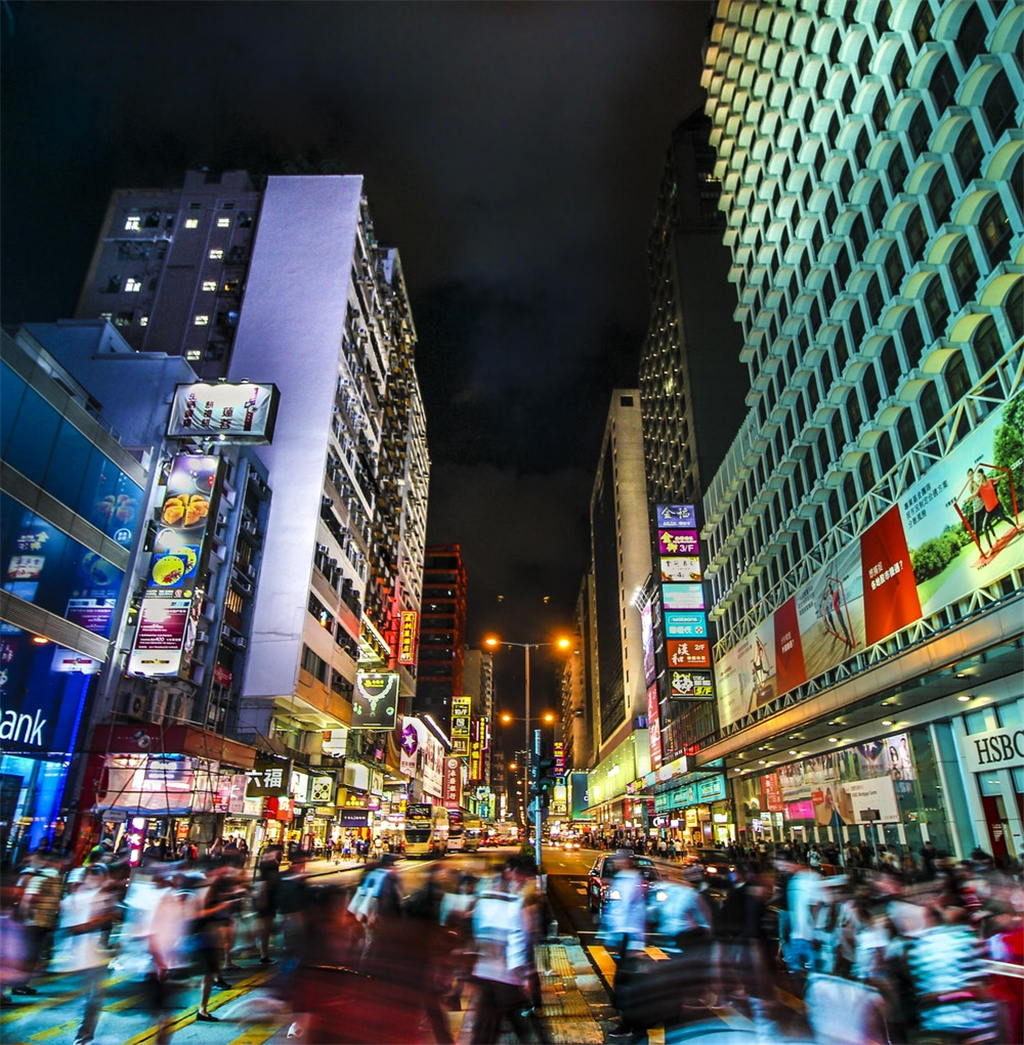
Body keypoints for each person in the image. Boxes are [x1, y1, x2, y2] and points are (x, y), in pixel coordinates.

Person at [51, 863, 118, 1045]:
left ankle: (84, 1037)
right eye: (93, 875)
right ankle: (82, 1036)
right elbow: (74, 928)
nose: (95, 879)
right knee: (86, 1000)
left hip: (96, 957)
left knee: (94, 999)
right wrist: (98, 920)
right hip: (79, 956)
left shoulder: (102, 897)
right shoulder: (76, 899)